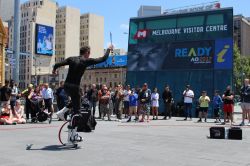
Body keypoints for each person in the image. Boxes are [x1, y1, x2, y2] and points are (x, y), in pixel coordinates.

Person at [53, 45, 113, 117]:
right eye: (89, 53)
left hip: (66, 86)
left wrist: (54, 70)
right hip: (75, 87)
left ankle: (62, 112)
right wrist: (108, 49)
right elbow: (103, 59)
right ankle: (72, 121)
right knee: (77, 110)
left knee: (77, 100)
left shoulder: (71, 59)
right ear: (87, 52)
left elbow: (57, 64)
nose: (89, 55)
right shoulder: (86, 61)